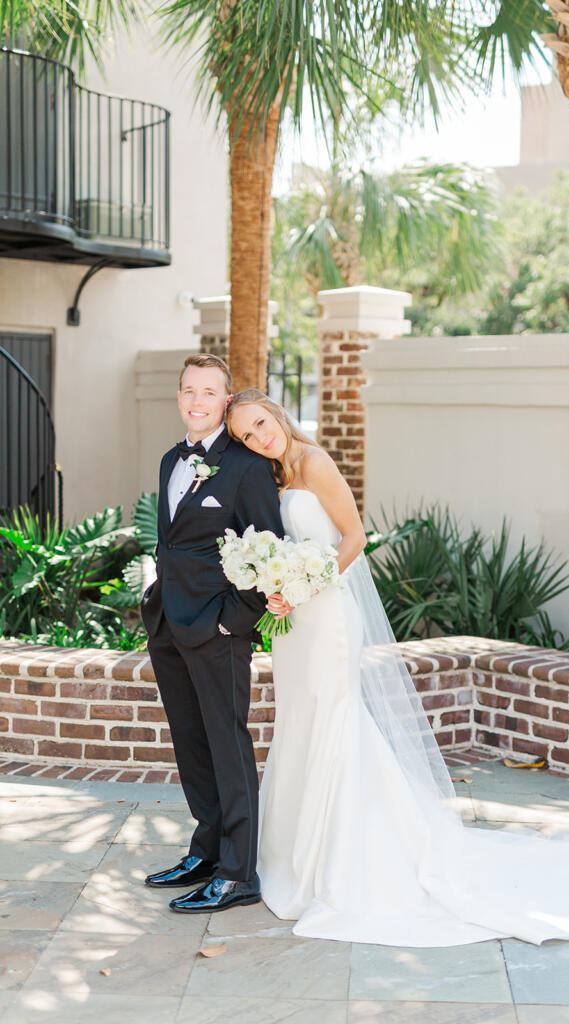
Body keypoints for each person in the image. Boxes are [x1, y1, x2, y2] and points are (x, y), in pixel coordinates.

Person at [227, 388, 569, 947]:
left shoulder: (314, 462)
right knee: (299, 720)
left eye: (259, 424)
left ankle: (342, 859)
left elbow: (354, 538)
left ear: (275, 412)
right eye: (246, 436)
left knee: (334, 720)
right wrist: (277, 587)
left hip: (327, 616)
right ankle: (292, 854)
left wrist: (307, 582)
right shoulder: (269, 478)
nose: (258, 437)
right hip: (293, 622)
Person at [141, 357, 284, 915]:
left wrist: (234, 618)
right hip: (169, 624)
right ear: (178, 396)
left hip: (219, 628)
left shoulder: (246, 467)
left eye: (209, 393)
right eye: (188, 391)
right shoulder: (169, 460)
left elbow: (269, 547)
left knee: (228, 745)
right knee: (191, 743)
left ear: (226, 402)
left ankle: (238, 872)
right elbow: (173, 542)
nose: (196, 401)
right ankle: (206, 850)